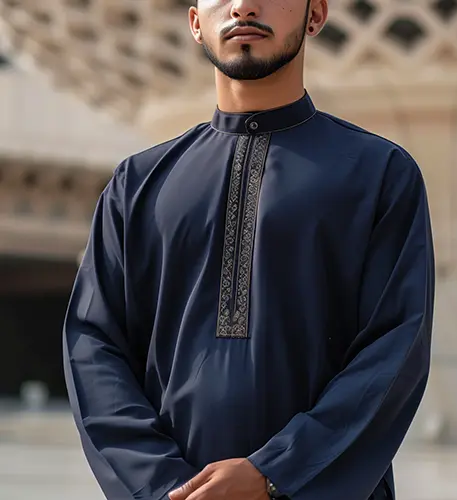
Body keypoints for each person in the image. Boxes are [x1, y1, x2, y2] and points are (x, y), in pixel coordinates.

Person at [63, 0, 435, 499]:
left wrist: (275, 473)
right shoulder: (138, 185)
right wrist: (163, 485)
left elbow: (394, 352)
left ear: (316, 14)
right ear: (196, 23)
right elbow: (93, 344)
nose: (243, 5)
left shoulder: (380, 175)